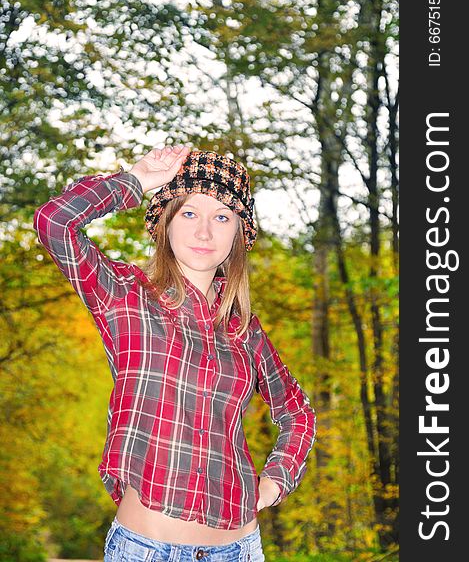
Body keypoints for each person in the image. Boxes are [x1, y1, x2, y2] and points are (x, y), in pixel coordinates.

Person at [33, 145, 317, 562]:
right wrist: (136, 179)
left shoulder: (244, 328)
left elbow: (298, 413)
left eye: (222, 217)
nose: (205, 232)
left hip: (239, 549)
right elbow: (54, 222)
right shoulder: (124, 295)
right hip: (145, 549)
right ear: (165, 223)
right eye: (189, 213)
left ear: (238, 234)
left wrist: (276, 481)